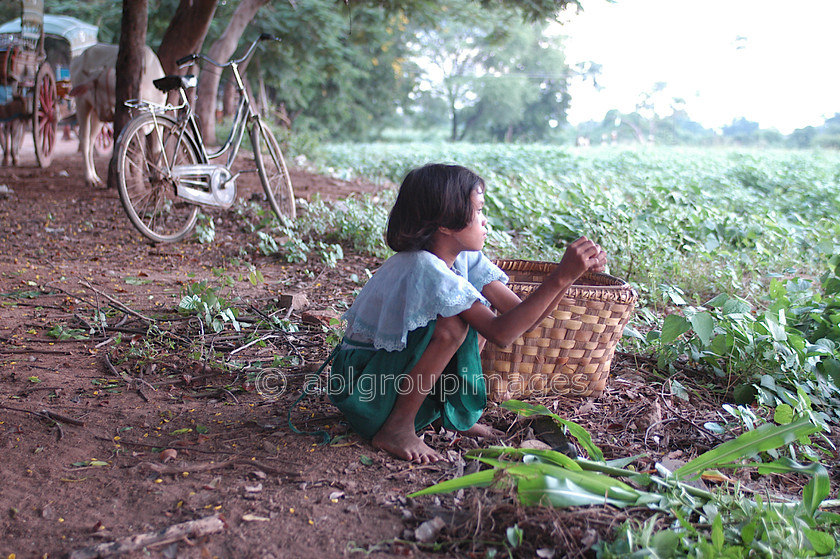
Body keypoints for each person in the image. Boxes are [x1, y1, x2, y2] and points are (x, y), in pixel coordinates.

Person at [327, 163, 607, 463]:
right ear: (446, 224)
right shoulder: (423, 266)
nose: (485, 222)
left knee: (477, 312)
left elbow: (518, 315)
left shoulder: (465, 257)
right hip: (366, 391)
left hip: (391, 380)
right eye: (478, 211)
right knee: (454, 325)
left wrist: (569, 277)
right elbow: (501, 334)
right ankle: (397, 428)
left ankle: (449, 413)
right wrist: (560, 277)